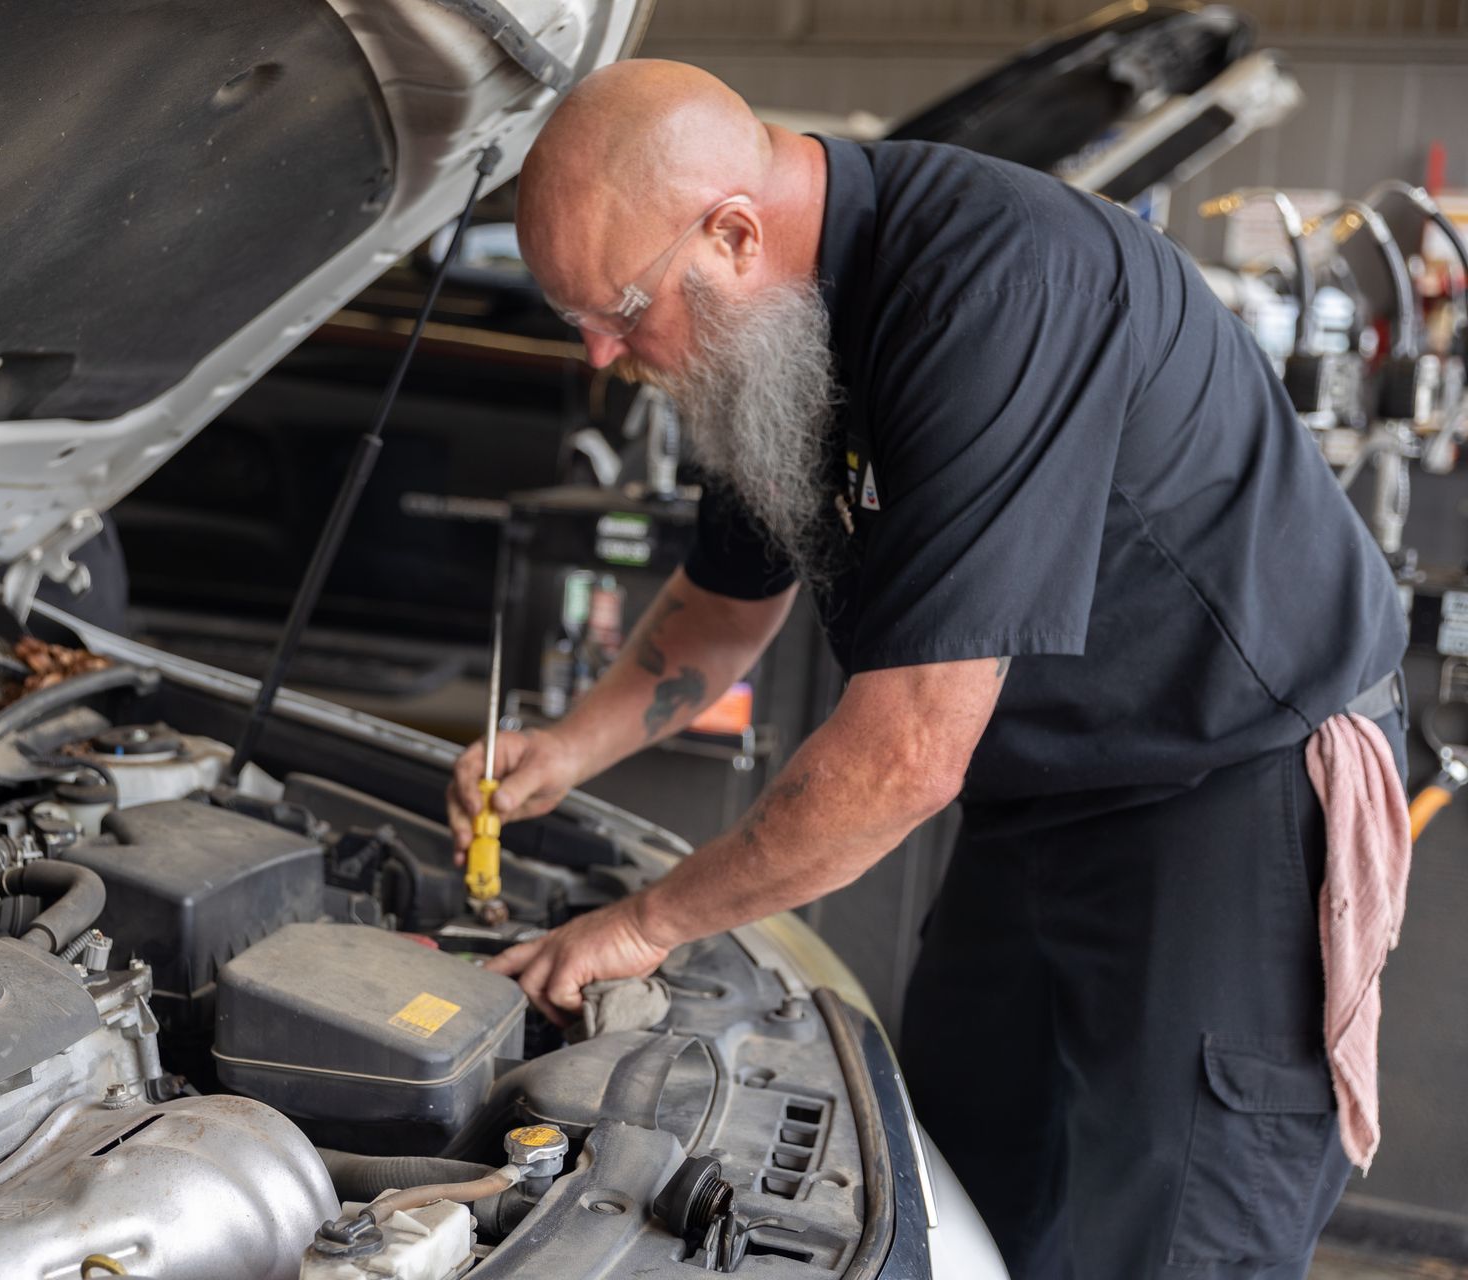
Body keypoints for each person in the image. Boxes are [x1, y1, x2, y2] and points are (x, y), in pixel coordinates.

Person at [445, 59, 1408, 1279]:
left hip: (1228, 799)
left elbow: (906, 751)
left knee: (1174, 1243)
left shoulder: (998, 285)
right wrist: (562, 750)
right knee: (951, 1197)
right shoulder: (765, 337)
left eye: (622, 309)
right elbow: (723, 607)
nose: (602, 354)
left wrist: (645, 924)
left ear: (735, 231)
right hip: (1034, 805)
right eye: (576, 318)